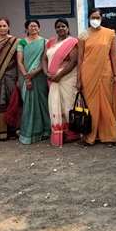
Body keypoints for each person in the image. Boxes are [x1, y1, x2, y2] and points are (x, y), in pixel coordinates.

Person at [78, 9, 116, 145]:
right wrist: (78, 79)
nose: (95, 20)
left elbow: (114, 56)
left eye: (97, 17)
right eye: (92, 17)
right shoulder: (83, 35)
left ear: (101, 18)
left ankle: (109, 135)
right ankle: (91, 136)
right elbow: (80, 58)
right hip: (88, 74)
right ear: (88, 19)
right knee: (91, 105)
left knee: (106, 105)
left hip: (106, 73)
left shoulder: (110, 33)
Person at [44, 19, 80, 147]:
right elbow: (44, 59)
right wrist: (46, 73)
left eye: (63, 26)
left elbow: (73, 61)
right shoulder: (50, 42)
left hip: (67, 78)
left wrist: (59, 75)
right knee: (56, 104)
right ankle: (61, 133)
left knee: (68, 104)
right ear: (55, 29)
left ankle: (73, 133)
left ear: (68, 28)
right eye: (58, 27)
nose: (61, 28)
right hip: (53, 79)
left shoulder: (72, 42)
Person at [17, 19, 50, 144]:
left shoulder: (45, 42)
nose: (33, 28)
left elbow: (45, 60)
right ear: (26, 28)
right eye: (31, 26)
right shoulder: (22, 42)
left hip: (40, 76)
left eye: (35, 26)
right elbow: (19, 61)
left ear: (39, 28)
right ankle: (30, 133)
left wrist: (34, 73)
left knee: (43, 102)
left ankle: (46, 131)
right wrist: (27, 77)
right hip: (26, 76)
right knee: (29, 104)